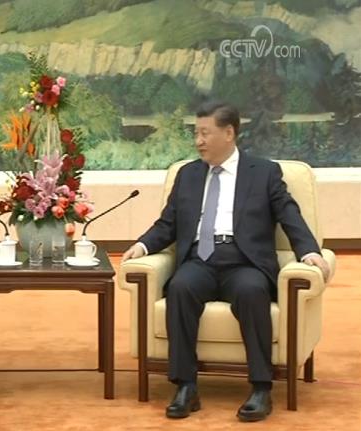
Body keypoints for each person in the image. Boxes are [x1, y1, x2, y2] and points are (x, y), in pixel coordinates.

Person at [122, 101, 330, 422]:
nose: (198, 141)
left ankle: (261, 388)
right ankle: (186, 386)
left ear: (229, 133)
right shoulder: (188, 174)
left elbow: (288, 214)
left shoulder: (263, 172)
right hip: (200, 260)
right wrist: (142, 245)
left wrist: (308, 250)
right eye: (196, 133)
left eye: (205, 133)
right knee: (179, 288)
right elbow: (168, 223)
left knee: (251, 291)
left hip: (244, 261)